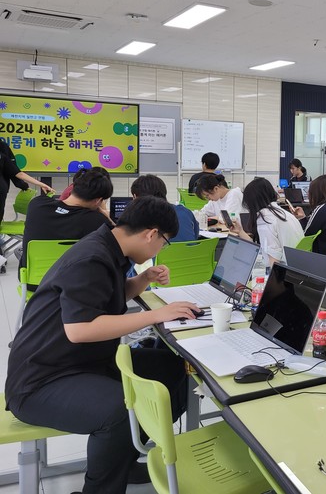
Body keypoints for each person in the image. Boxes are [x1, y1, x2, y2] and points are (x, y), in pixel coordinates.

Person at [5, 196, 202, 494]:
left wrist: (144, 278)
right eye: (164, 242)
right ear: (151, 234)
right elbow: (80, 329)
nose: (161, 249)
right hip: (43, 380)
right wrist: (156, 315)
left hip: (83, 361)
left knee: (173, 369)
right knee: (120, 412)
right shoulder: (92, 258)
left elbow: (108, 296)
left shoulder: (109, 247)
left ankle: (122, 456)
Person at [20, 167, 113, 281]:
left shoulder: (36, 204)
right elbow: (117, 243)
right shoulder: (97, 221)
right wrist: (107, 218)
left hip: (32, 282)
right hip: (74, 284)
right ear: (98, 200)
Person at [230, 177, 303, 264]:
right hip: (297, 265)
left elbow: (273, 260)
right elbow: (261, 248)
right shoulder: (283, 213)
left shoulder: (266, 219)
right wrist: (240, 231)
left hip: (282, 269)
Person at [130, 174, 198, 242]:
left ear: (135, 197)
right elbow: (196, 236)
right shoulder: (184, 211)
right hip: (190, 249)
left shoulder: (136, 219)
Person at [0, 139, 54, 223]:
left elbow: (18, 173)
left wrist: (41, 184)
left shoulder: (2, 155)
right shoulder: (2, 155)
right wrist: (41, 184)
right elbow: (18, 174)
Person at [292, 175, 326, 257]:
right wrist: (302, 217)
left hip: (320, 256)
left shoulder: (321, 209)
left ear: (316, 192)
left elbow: (306, 236)